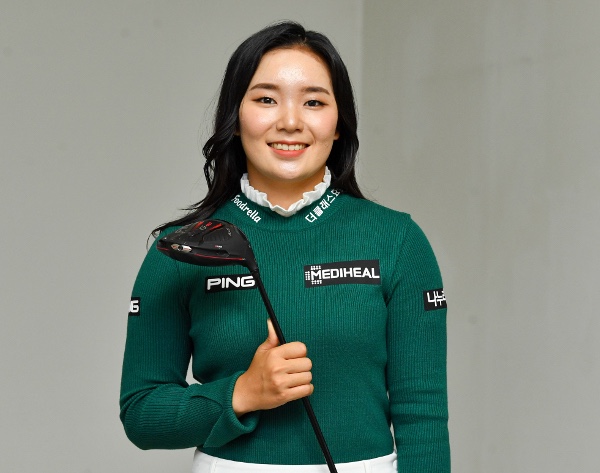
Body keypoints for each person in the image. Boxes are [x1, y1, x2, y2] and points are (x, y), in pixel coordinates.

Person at [120, 21, 450, 473]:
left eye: (314, 101)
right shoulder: (181, 250)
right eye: (266, 99)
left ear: (339, 124)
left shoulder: (398, 241)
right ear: (235, 119)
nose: (291, 122)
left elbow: (422, 417)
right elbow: (141, 413)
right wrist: (242, 393)